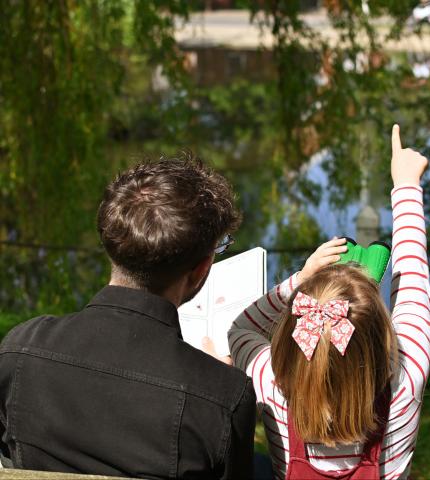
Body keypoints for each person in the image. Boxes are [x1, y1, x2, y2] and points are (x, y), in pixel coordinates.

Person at [0, 153, 256, 479]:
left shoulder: (19, 349)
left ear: (110, 240)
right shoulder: (225, 396)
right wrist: (216, 386)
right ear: (201, 270)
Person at [229, 125, 430, 479]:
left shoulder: (270, 382)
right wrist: (406, 185)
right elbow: (413, 277)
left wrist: (300, 279)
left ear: (296, 326)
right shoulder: (407, 377)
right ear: (381, 335)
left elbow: (240, 329)